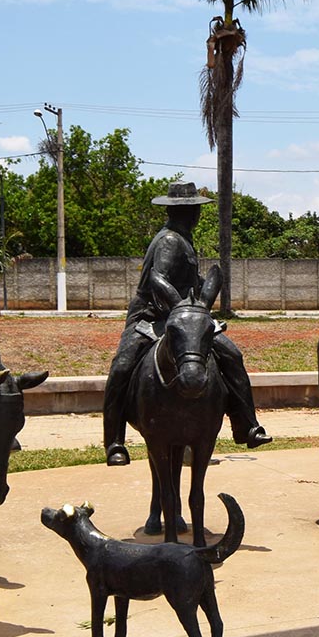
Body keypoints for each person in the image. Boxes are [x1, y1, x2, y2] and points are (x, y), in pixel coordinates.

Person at [102, 181, 271, 467]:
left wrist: (204, 294)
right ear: (178, 211)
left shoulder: (183, 239)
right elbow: (159, 281)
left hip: (186, 316)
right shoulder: (169, 240)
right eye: (191, 210)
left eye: (193, 209)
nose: (195, 215)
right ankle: (114, 441)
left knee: (231, 355)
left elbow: (187, 281)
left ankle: (246, 424)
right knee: (122, 366)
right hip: (152, 316)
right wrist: (183, 307)